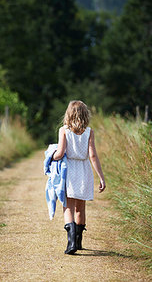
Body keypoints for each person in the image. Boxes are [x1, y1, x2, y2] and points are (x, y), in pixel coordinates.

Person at [52, 100, 106, 255]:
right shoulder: (89, 132)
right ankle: (79, 241)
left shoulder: (64, 130)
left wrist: (51, 157)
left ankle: (71, 243)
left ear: (68, 114)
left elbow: (61, 153)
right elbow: (93, 155)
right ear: (85, 115)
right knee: (80, 207)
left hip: (69, 170)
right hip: (84, 170)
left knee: (68, 205)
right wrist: (101, 177)